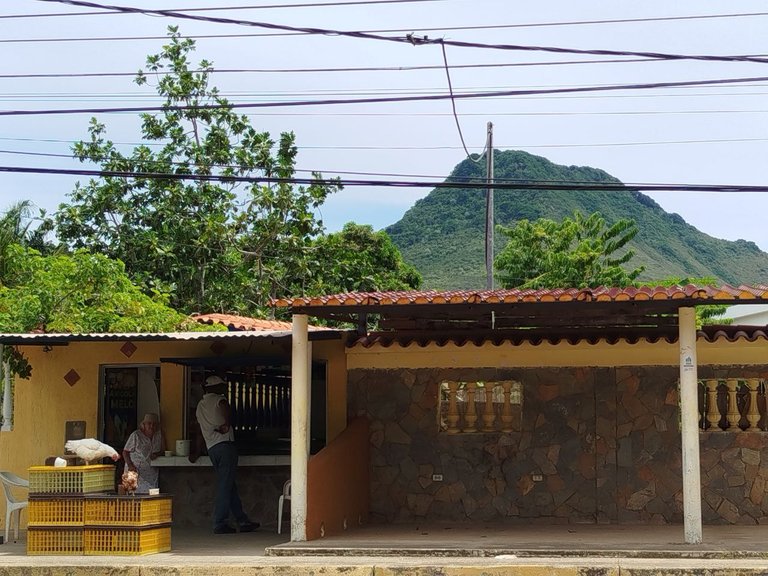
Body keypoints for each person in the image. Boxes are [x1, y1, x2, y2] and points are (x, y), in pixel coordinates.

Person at [191, 375, 259, 534]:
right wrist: (227, 423)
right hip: (225, 447)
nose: (223, 389)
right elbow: (224, 406)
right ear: (215, 388)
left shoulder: (200, 406)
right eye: (221, 386)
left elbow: (200, 432)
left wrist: (196, 451)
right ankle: (219, 523)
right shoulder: (219, 399)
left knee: (229, 485)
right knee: (224, 486)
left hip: (212, 449)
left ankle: (242, 520)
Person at [122, 412, 164, 494]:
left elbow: (163, 451)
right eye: (149, 423)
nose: (152, 426)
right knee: (131, 494)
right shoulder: (136, 435)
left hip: (151, 473)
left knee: (151, 495)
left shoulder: (159, 435)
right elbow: (125, 452)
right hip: (133, 471)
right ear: (144, 424)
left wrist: (157, 454)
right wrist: (130, 465)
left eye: (154, 424)